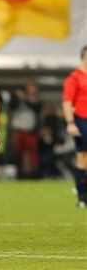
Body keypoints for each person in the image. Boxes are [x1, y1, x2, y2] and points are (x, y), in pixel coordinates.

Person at [62, 45, 87, 208]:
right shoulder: (75, 77)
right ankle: (81, 196)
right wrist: (70, 123)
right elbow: (67, 101)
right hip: (81, 119)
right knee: (83, 157)